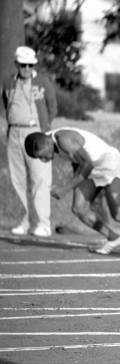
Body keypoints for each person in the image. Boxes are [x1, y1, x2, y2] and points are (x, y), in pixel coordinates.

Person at [23, 127, 120, 254]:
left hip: (108, 162)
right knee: (79, 208)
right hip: (93, 169)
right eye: (40, 159)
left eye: (43, 156)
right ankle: (113, 238)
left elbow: (87, 165)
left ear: (47, 143)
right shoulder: (53, 145)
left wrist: (65, 188)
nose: (44, 160)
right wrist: (78, 187)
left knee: (119, 214)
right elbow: (79, 163)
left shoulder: (63, 139)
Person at [1, 46, 56, 237]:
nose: (26, 68)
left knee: (40, 178)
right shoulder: (9, 82)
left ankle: (44, 223)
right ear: (17, 64)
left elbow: (52, 106)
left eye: (30, 65)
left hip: (36, 132)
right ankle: (25, 221)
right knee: (18, 180)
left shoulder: (43, 82)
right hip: (14, 131)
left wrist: (44, 127)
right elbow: (5, 104)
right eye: (23, 65)